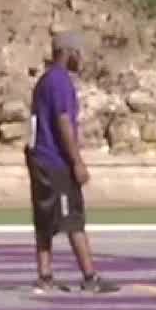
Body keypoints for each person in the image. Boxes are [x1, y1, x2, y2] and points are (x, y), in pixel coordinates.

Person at [26, 31, 120, 294]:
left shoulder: (44, 81)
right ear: (68, 53)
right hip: (57, 161)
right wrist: (76, 161)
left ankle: (45, 275)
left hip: (39, 159)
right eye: (79, 54)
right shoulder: (60, 82)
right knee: (72, 220)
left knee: (44, 219)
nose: (81, 59)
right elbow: (63, 122)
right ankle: (90, 277)